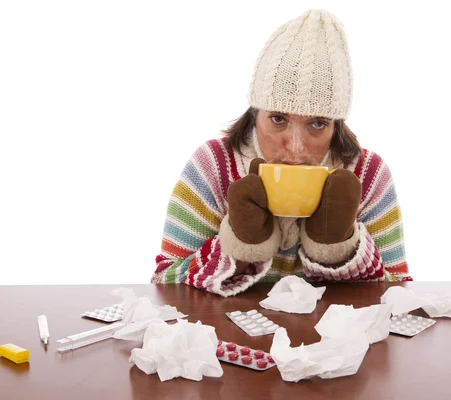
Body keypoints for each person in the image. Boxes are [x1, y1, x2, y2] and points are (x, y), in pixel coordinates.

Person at [151, 9, 410, 296]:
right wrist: (239, 244)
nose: (296, 148)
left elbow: (399, 292)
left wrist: (341, 247)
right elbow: (164, 283)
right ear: (255, 113)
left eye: (317, 123)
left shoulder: (369, 175)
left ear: (336, 126)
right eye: (278, 119)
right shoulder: (213, 166)